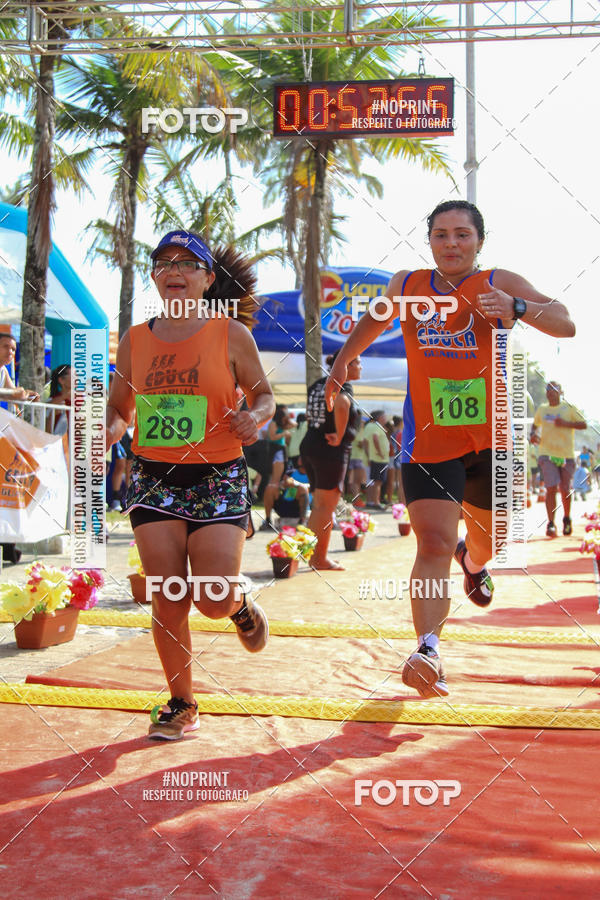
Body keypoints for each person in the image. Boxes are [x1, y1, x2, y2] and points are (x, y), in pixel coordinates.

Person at [325, 200, 576, 699]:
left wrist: (518, 309)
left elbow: (566, 321)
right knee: (432, 543)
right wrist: (343, 359)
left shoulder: (499, 282)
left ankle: (475, 562)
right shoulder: (408, 285)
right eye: (441, 235)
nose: (452, 244)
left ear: (479, 240)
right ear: (430, 241)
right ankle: (428, 650)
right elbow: (376, 320)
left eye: (462, 234)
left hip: (490, 440)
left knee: (487, 543)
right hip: (429, 440)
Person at [106, 230, 275, 740]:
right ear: (155, 277)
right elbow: (120, 408)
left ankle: (239, 605)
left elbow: (263, 394)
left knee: (211, 597)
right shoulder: (135, 338)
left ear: (206, 279)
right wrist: (106, 431)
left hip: (218, 473)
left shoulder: (229, 334)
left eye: (187, 263)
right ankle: (182, 702)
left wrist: (256, 417)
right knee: (169, 596)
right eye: (163, 262)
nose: (174, 270)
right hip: (155, 478)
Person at [300, 351, 362, 570]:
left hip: (310, 444)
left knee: (319, 505)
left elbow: (312, 412)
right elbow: (342, 404)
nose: (361, 367)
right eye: (358, 362)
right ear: (345, 365)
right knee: (326, 507)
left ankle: (312, 555)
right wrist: (339, 434)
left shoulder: (317, 383)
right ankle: (319, 558)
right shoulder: (343, 384)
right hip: (329, 450)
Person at [530, 382, 586, 536]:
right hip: (546, 454)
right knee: (551, 488)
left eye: (554, 389)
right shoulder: (542, 409)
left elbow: (583, 424)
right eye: (548, 389)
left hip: (566, 455)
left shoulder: (569, 408)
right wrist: (532, 435)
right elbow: (534, 426)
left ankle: (567, 519)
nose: (550, 392)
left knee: (565, 489)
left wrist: (565, 423)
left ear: (561, 392)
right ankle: (550, 523)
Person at [0, 332, 38, 402]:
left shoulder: (3, 370)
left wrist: (27, 394)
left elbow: (12, 392)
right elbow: (11, 393)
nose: (10, 352)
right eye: (6, 346)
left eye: (13, 349)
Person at [363, 410, 389, 509]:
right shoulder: (376, 426)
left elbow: (365, 441)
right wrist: (379, 452)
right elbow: (375, 438)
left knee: (373, 481)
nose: (386, 418)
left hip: (372, 458)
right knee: (378, 481)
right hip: (379, 459)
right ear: (379, 417)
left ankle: (371, 501)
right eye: (384, 416)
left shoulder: (369, 426)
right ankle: (376, 502)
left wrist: (368, 454)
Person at [46, 364, 72, 434]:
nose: (77, 378)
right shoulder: (54, 401)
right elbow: (47, 431)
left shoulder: (83, 398)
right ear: (61, 380)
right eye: (73, 376)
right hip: (60, 442)